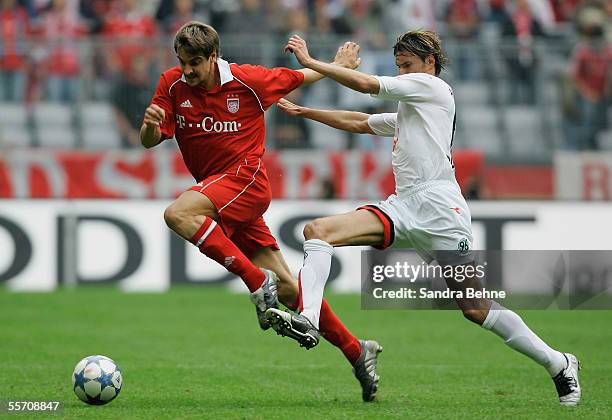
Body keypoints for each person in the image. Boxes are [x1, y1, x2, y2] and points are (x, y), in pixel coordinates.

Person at [266, 30, 581, 406]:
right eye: (398, 67)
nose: (401, 74)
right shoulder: (412, 108)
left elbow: (367, 85)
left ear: (429, 63)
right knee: (317, 231)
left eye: (407, 66)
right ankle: (310, 318)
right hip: (403, 206)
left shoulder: (433, 90)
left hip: (441, 211)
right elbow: (358, 122)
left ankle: (559, 363)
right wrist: (306, 112)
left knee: (475, 308)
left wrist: (314, 63)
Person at [140, 21, 382, 402]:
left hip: (246, 180)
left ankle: (255, 282)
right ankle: (357, 351)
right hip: (222, 194)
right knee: (288, 288)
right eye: (183, 62)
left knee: (179, 213)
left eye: (196, 63)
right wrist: (150, 127)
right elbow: (150, 140)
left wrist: (340, 65)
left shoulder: (248, 80)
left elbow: (301, 77)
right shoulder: (172, 83)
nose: (188, 70)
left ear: (214, 56)